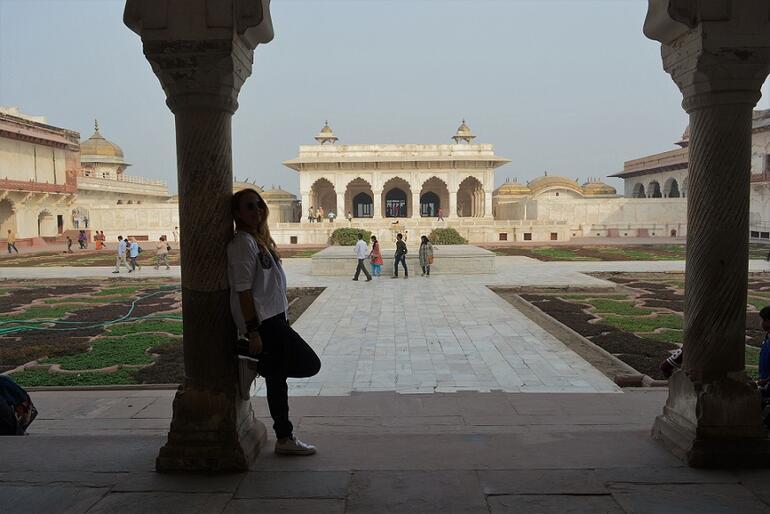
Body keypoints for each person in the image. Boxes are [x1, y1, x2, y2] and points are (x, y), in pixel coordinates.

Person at [228, 188, 320, 455]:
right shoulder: (242, 243)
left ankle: (284, 437)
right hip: (265, 323)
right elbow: (243, 290)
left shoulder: (259, 241)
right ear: (236, 213)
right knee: (309, 363)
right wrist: (253, 331)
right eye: (249, 206)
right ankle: (253, 356)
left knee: (278, 379)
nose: (256, 210)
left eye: (259, 204)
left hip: (275, 318)